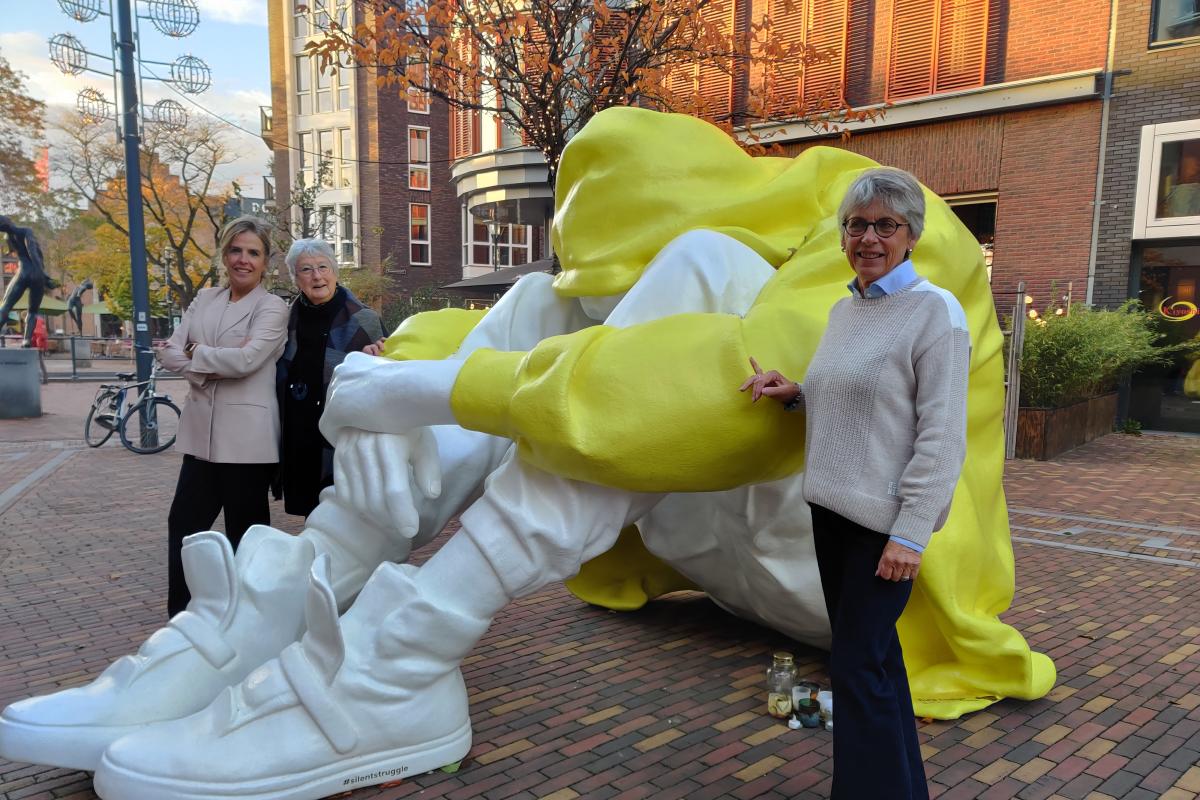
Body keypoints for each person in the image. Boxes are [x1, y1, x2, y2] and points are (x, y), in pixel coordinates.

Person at [0, 110, 1051, 798]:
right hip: (737, 541)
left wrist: (419, 389)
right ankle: (299, 587)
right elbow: (515, 328)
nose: (872, 237)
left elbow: (707, 393)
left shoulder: (900, 241)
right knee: (542, 308)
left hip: (870, 563)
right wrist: (394, 385)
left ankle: (403, 656)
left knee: (693, 277)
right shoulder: (616, 259)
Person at [740, 167, 969, 800]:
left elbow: (942, 434)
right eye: (857, 224)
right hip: (832, 513)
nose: (869, 237)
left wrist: (912, 534)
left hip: (884, 527)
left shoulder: (935, 313)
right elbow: (855, 398)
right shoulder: (846, 310)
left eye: (885, 226)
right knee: (874, 660)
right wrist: (796, 395)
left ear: (911, 235)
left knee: (855, 665)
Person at [157, 215, 288, 617]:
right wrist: (209, 359)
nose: (243, 260)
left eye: (253, 253)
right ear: (224, 254)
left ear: (266, 262)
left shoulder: (273, 308)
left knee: (244, 539)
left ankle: (248, 618)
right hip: (200, 439)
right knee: (184, 527)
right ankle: (182, 617)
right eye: (236, 250)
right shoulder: (205, 299)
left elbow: (247, 361)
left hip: (248, 443)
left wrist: (196, 353)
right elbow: (168, 351)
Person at [276, 238, 384, 518]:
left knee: (347, 515)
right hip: (300, 434)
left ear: (335, 271)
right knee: (312, 517)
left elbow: (386, 380)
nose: (317, 276)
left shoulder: (363, 319)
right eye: (306, 270)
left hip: (342, 438)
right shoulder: (286, 320)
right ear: (295, 279)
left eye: (323, 267)